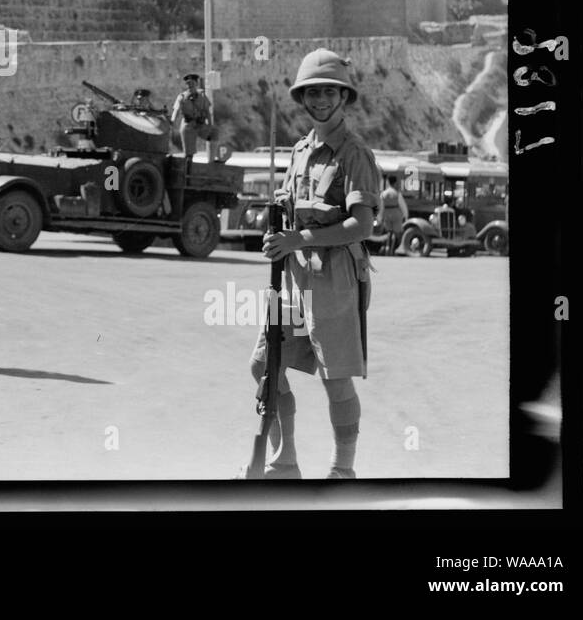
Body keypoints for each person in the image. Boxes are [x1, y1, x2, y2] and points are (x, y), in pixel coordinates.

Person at [244, 49, 381, 479]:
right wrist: (277, 218)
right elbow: (291, 201)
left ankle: (343, 472)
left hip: (336, 275)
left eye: (329, 91)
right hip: (294, 274)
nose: (320, 99)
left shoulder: (354, 153)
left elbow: (361, 225)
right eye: (312, 92)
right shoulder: (302, 149)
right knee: (264, 364)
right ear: (302, 98)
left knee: (333, 377)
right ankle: (285, 460)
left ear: (343, 96)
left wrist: (297, 238)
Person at [170, 73, 213, 160]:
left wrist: (210, 125)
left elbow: (207, 112)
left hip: (200, 124)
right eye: (188, 83)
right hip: (188, 125)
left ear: (196, 84)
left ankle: (212, 162)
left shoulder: (202, 96)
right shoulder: (181, 97)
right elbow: (176, 111)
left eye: (192, 83)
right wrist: (172, 121)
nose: (190, 85)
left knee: (215, 134)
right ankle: (188, 169)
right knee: (189, 153)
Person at [379, 175, 408, 256]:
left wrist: (380, 217)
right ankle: (392, 250)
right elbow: (402, 206)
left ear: (388, 182)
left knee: (388, 232)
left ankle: (387, 248)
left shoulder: (383, 194)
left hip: (387, 214)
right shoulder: (397, 193)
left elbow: (381, 207)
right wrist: (406, 216)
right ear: (395, 183)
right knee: (396, 233)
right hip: (396, 214)